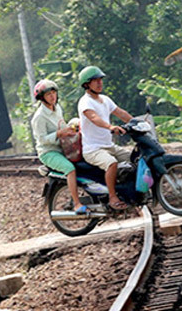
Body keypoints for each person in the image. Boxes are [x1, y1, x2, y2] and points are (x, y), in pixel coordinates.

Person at [77, 66, 133, 211]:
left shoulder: (105, 100)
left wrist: (137, 123)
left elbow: (121, 113)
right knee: (111, 163)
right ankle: (113, 198)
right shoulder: (85, 102)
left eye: (100, 80)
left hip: (108, 146)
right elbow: (94, 118)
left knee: (135, 157)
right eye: (95, 80)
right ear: (86, 84)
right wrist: (110, 127)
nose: (99, 83)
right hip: (93, 149)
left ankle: (131, 193)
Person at [31, 79, 89, 214]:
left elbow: (62, 126)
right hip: (49, 152)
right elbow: (41, 140)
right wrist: (59, 133)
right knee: (70, 169)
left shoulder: (57, 108)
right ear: (42, 98)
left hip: (62, 147)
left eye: (54, 93)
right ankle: (76, 203)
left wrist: (71, 128)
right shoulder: (39, 117)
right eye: (48, 95)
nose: (52, 96)